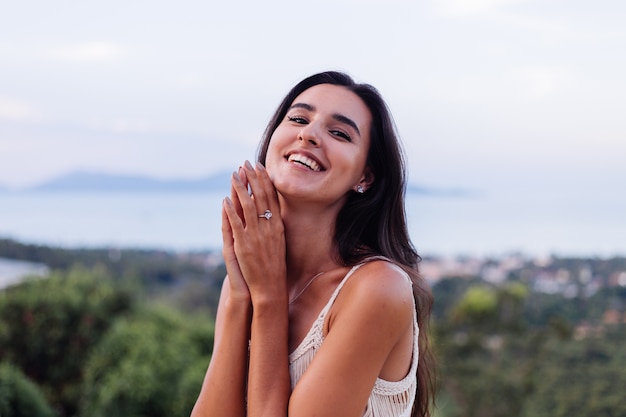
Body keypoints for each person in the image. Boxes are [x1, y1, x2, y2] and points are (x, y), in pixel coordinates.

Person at [191, 71, 436, 417]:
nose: (309, 134)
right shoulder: (245, 282)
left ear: (365, 177)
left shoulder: (377, 289)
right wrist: (242, 295)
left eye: (339, 133)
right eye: (298, 118)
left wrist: (269, 298)